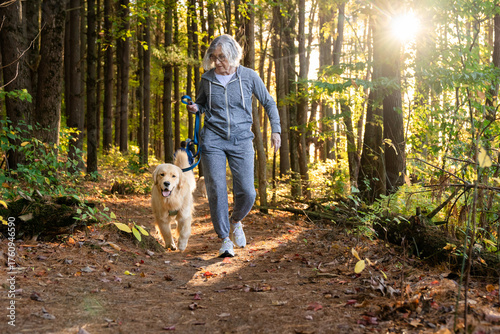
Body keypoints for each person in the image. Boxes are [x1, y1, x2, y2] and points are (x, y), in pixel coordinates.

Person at [186, 34, 281, 257]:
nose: (217, 62)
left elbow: (268, 102)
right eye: (214, 57)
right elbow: (201, 103)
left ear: (233, 55)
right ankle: (224, 239)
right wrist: (196, 108)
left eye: (222, 57)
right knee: (217, 189)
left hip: (241, 140)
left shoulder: (249, 76)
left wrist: (275, 130)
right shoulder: (207, 79)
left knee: (248, 192)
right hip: (213, 140)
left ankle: (236, 220)